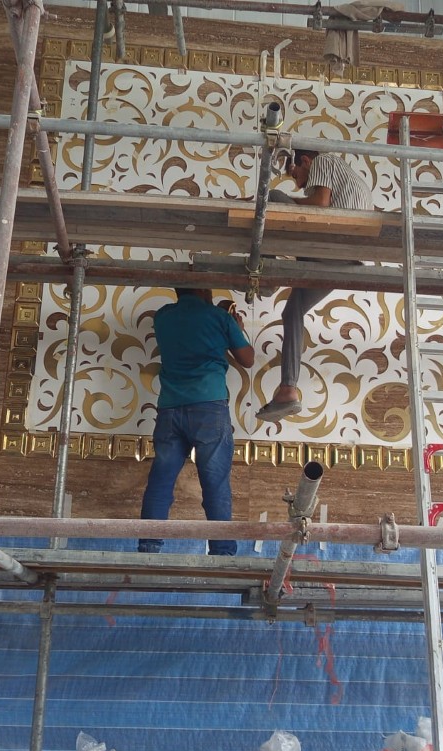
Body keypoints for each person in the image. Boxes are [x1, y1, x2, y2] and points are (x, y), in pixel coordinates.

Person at [255, 148, 373, 422]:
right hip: (343, 260)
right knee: (292, 312)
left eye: (297, 175)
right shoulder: (343, 177)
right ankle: (288, 390)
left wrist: (277, 202)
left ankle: (267, 277)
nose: (299, 184)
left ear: (306, 161)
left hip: (334, 245)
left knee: (273, 197)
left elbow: (320, 203)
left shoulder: (324, 160)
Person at [138, 287, 254, 555]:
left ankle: (148, 548)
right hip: (209, 407)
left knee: (161, 479)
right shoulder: (219, 318)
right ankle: (222, 553)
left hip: (169, 407)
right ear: (204, 288)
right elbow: (247, 359)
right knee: (215, 483)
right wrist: (236, 328)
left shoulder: (162, 316)